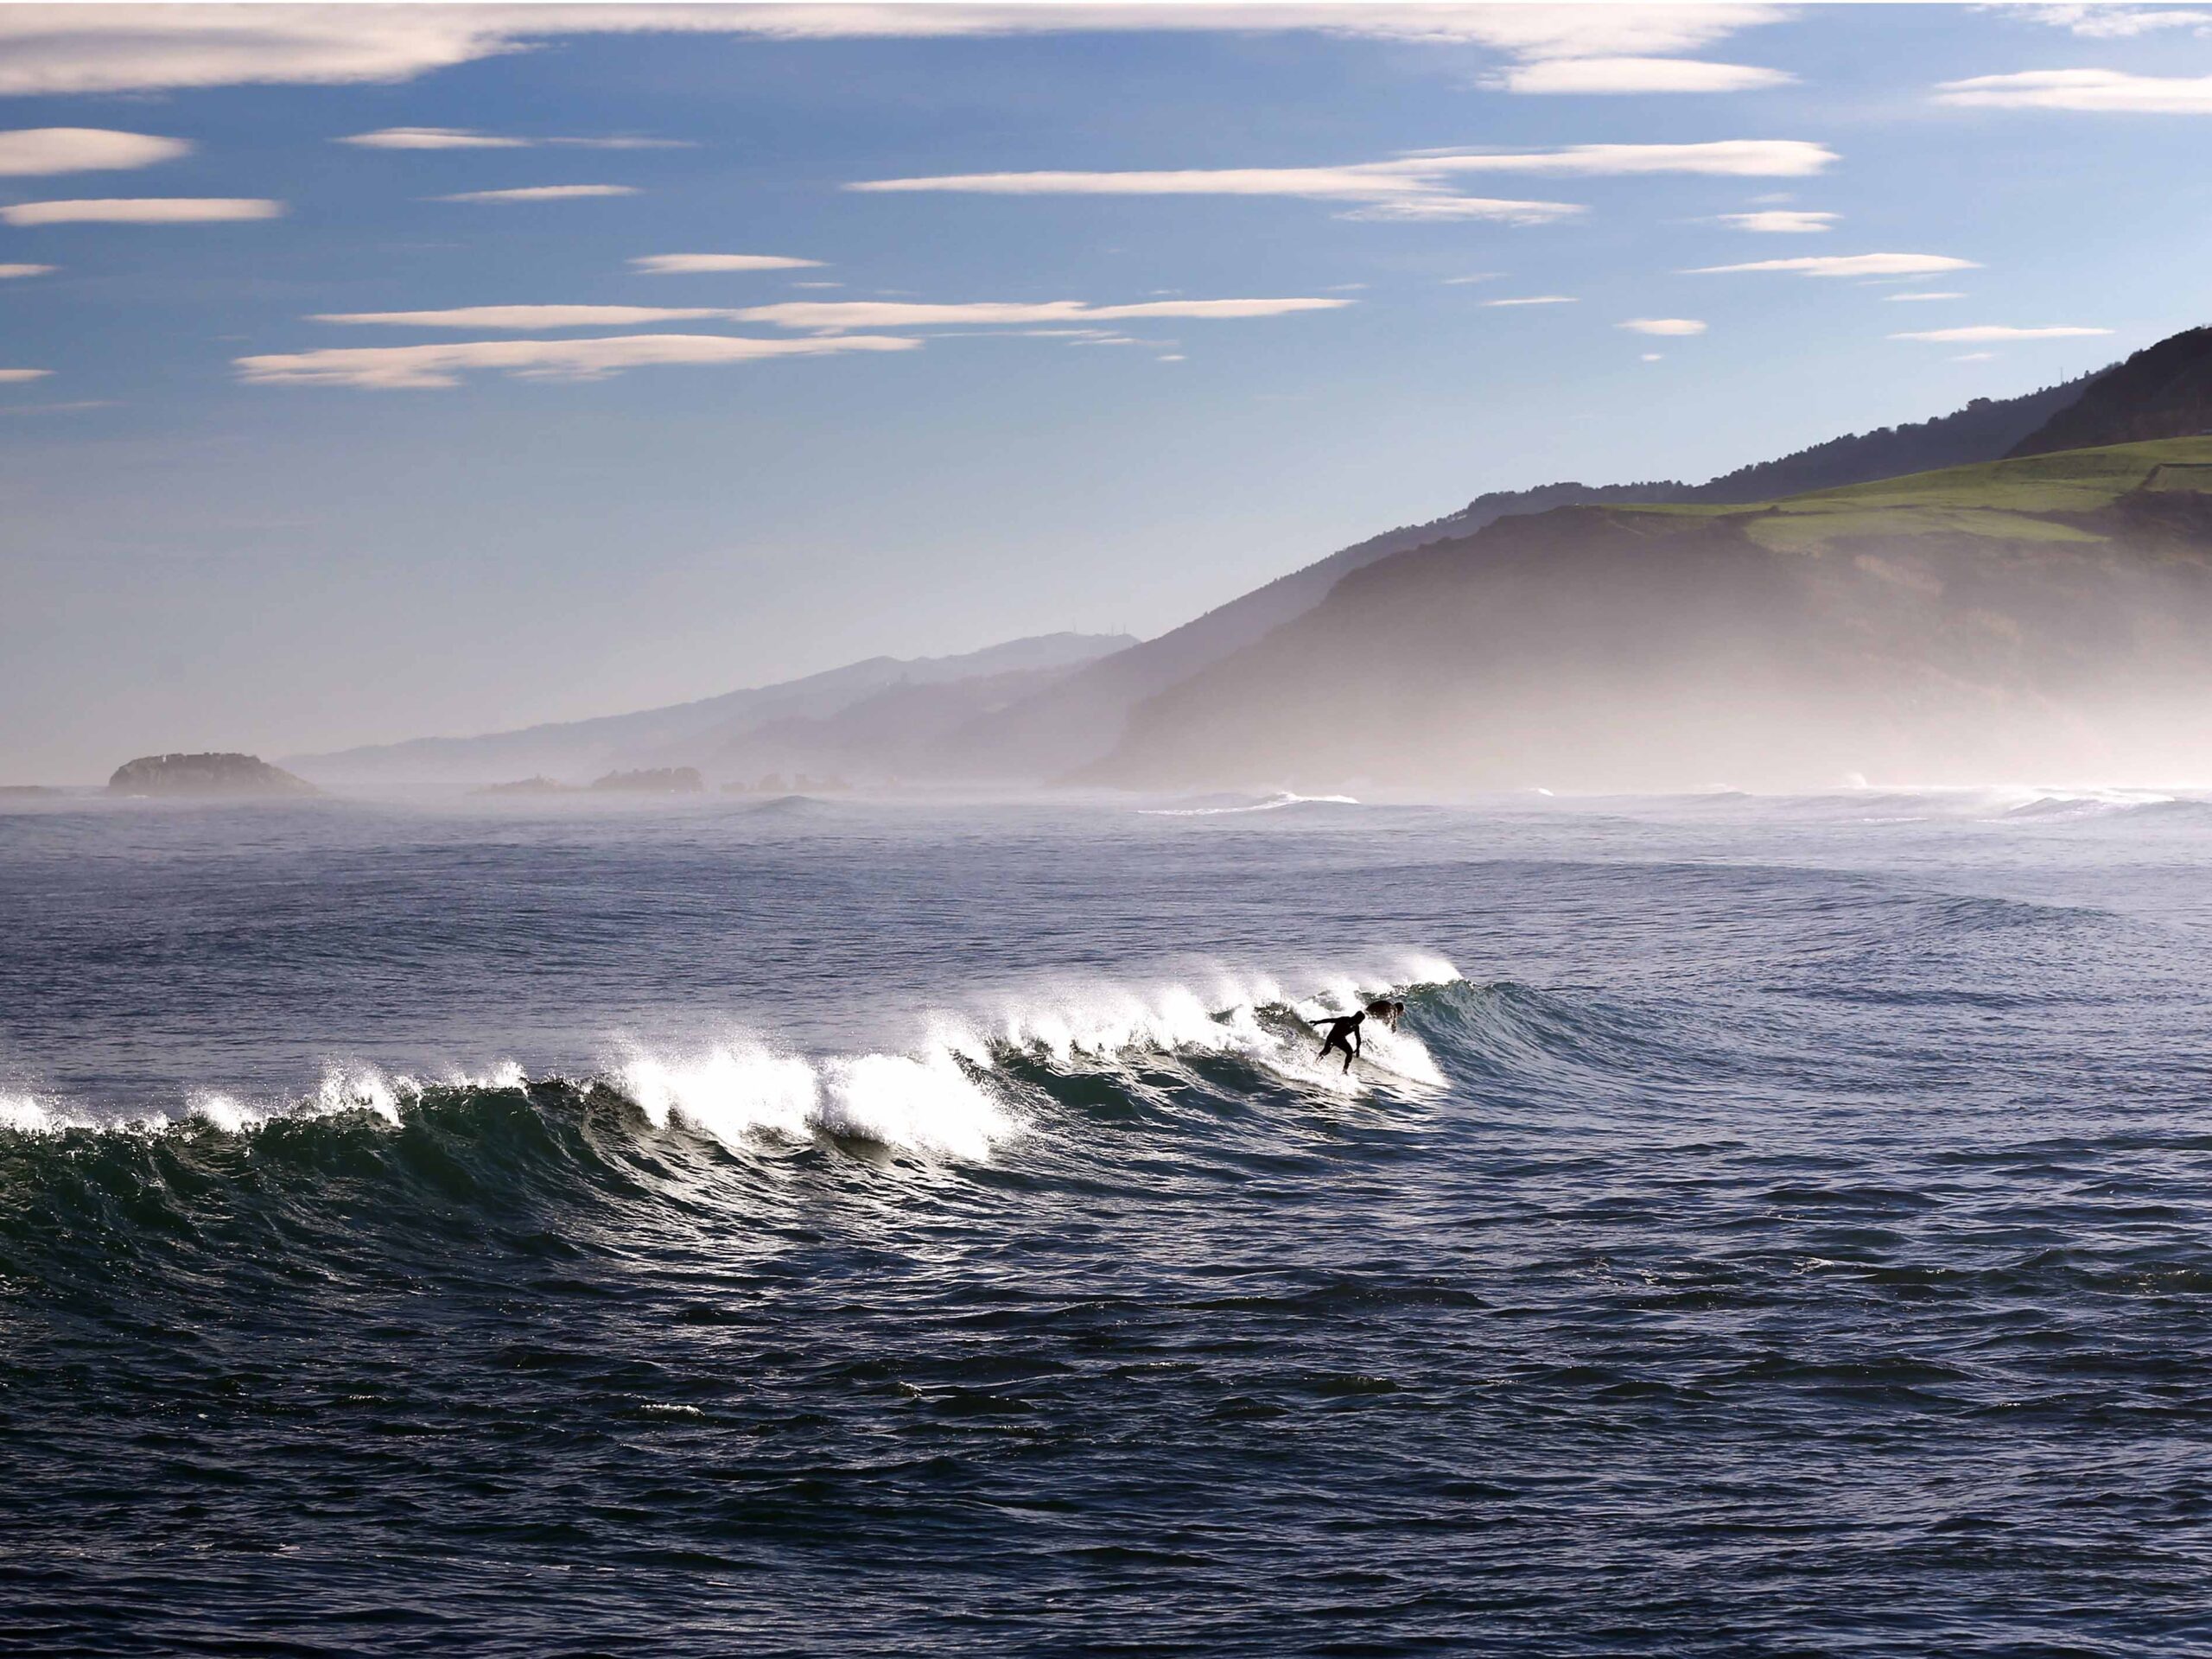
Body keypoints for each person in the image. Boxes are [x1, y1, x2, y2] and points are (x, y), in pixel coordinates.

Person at [1316, 1007, 1365, 1072]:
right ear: (1356, 1017)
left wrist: (1358, 1048)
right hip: (1332, 1037)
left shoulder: (1355, 1026)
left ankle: (1344, 1070)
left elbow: (1358, 1038)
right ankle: (1316, 1062)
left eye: (1361, 1021)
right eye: (1360, 1020)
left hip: (1341, 1040)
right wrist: (1317, 1022)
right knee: (1326, 1051)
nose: (1360, 1022)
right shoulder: (1344, 1019)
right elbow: (1330, 1020)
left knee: (1349, 1052)